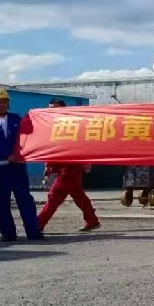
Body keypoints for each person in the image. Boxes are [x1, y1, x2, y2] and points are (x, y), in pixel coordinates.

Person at [0, 87, 42, 242]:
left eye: (4, 101)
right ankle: (8, 234)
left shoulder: (17, 119)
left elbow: (27, 137)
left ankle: (33, 232)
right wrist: (8, 155)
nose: (2, 105)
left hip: (17, 167)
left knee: (25, 199)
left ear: (8, 103)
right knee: (1, 202)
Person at [37, 98, 101, 233]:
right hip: (62, 165)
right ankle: (92, 220)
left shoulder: (73, 125)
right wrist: (48, 165)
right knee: (78, 195)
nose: (51, 112)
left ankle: (38, 224)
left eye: (55, 109)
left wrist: (86, 161)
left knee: (55, 195)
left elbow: (82, 143)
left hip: (70, 167)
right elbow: (52, 147)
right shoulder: (53, 126)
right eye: (50, 109)